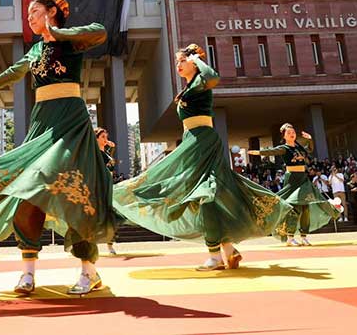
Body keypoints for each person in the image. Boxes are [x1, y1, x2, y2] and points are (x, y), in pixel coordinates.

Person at [0, 0, 115, 295]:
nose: (30, 18)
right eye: (28, 14)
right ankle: (28, 273)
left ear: (51, 12)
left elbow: (100, 32)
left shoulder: (70, 40)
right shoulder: (35, 50)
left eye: (34, 12)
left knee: (72, 192)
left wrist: (57, 31)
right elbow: (15, 72)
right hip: (42, 123)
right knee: (26, 193)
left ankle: (89, 271)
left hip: (70, 123)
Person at [114, 44, 292, 270]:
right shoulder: (191, 86)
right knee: (210, 194)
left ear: (193, 62)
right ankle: (227, 249)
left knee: (203, 192)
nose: (178, 65)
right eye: (177, 62)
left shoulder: (200, 82)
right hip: (195, 140)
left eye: (182, 61)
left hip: (202, 141)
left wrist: (196, 59)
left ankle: (215, 256)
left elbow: (213, 76)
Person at [249, 125, 338, 246]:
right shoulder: (284, 148)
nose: (292, 134)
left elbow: (310, 149)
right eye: (289, 132)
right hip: (292, 179)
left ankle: (304, 236)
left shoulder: (298, 147)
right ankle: (290, 237)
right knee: (294, 208)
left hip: (303, 178)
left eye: (293, 132)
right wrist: (258, 152)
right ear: (284, 135)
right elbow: (272, 151)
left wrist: (310, 139)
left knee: (306, 207)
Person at [95, 127, 120, 256]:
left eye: (106, 136)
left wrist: (111, 147)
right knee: (97, 215)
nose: (106, 139)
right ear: (96, 138)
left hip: (110, 184)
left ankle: (110, 245)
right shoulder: (94, 153)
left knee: (110, 215)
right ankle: (89, 244)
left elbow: (110, 164)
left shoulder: (106, 152)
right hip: (99, 185)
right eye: (102, 137)